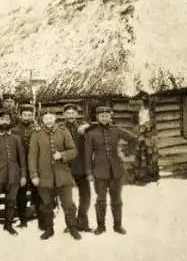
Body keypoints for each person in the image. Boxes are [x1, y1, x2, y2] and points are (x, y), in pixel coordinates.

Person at [84, 105, 142, 235]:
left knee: (116, 199)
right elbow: (87, 155)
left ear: (110, 117)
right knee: (101, 200)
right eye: (101, 116)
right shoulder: (91, 133)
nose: (104, 118)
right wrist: (88, 172)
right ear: (97, 117)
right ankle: (101, 226)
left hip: (116, 171)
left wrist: (126, 153)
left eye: (107, 115)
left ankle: (117, 226)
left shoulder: (117, 130)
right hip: (99, 171)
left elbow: (134, 139)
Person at [28, 111, 81, 240]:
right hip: (44, 177)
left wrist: (62, 155)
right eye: (46, 118)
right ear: (42, 120)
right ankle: (49, 229)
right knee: (46, 205)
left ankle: (72, 228)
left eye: (51, 118)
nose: (49, 120)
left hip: (63, 176)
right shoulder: (37, 134)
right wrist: (34, 174)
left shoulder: (64, 132)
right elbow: (32, 155)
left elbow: (73, 151)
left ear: (55, 118)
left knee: (68, 204)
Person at [61, 103, 93, 232]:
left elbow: (99, 129)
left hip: (81, 165)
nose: (70, 116)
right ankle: (71, 224)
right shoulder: (60, 128)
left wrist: (88, 126)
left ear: (77, 114)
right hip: (65, 166)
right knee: (67, 196)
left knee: (85, 195)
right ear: (64, 115)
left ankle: (83, 222)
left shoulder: (83, 126)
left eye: (72, 113)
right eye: (68, 113)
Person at [11, 104, 42, 229]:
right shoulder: (14, 130)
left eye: (30, 115)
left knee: (37, 190)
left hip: (35, 164)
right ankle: (22, 219)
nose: (27, 117)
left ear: (33, 116)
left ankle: (38, 215)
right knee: (21, 192)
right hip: (21, 165)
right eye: (25, 115)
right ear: (20, 115)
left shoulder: (38, 129)